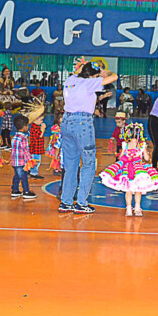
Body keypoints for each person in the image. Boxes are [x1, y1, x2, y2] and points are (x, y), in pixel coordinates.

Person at [57, 58, 117, 214]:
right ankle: (81, 203)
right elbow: (114, 76)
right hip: (82, 123)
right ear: (94, 75)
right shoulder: (90, 82)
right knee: (89, 164)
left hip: (66, 122)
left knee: (70, 165)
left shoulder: (70, 80)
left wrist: (88, 67)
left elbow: (79, 72)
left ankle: (66, 202)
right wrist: (102, 72)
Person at [99, 122, 158, 216]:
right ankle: (137, 208)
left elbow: (121, 157)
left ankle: (128, 209)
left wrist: (125, 157)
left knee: (128, 189)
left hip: (126, 168)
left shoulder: (125, 144)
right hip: (138, 169)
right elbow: (147, 158)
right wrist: (146, 153)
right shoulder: (142, 145)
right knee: (138, 189)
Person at [9, 114, 37, 200]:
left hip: (15, 162)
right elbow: (25, 151)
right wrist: (30, 160)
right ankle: (26, 191)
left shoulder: (14, 137)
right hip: (21, 162)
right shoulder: (23, 138)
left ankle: (15, 190)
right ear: (25, 127)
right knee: (24, 177)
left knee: (17, 176)